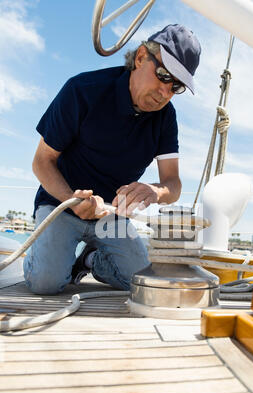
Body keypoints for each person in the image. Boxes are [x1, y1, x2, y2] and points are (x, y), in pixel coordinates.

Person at [23, 24, 201, 295]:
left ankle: (90, 260)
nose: (166, 93)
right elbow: (42, 162)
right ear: (141, 57)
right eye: (164, 75)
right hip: (61, 204)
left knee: (142, 284)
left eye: (176, 86)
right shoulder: (82, 90)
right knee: (45, 284)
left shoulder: (167, 118)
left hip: (111, 217)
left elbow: (173, 184)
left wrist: (154, 191)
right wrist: (72, 198)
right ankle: (46, 259)